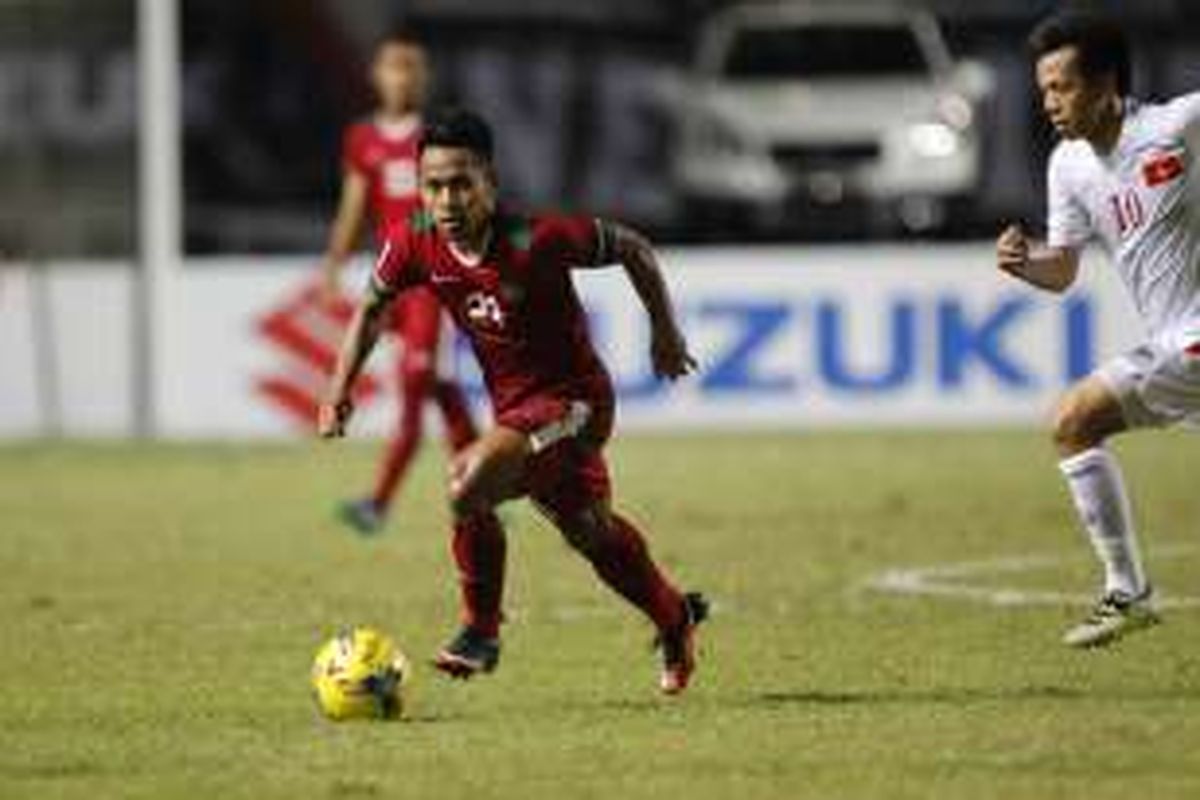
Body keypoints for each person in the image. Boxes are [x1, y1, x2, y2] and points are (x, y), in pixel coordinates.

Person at [318, 108, 708, 694]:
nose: (446, 200)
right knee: (589, 531)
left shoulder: (539, 239)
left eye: (460, 183)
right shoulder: (415, 242)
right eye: (433, 186)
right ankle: (675, 616)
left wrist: (665, 332)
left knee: (467, 482)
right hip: (517, 412)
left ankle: (481, 629)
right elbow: (372, 307)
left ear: (489, 183)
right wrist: (339, 387)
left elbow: (633, 247)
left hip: (576, 404)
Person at [997, 11, 1200, 647]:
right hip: (1174, 337)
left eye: (1063, 86)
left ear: (1107, 82)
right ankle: (1129, 593)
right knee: (1073, 424)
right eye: (1043, 91)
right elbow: (1063, 270)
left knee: (1073, 418)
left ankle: (1128, 592)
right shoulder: (1069, 167)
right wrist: (1026, 262)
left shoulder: (1177, 126)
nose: (1050, 103)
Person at [318, 30, 476, 534]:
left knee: (413, 383)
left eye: (411, 68)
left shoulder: (436, 135)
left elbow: (470, 200)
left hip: (432, 281)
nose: (401, 77)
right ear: (377, 75)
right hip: (391, 283)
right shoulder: (362, 138)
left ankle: (378, 504)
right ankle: (490, 482)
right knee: (439, 385)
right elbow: (353, 207)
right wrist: (333, 265)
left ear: (422, 77)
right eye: (393, 67)